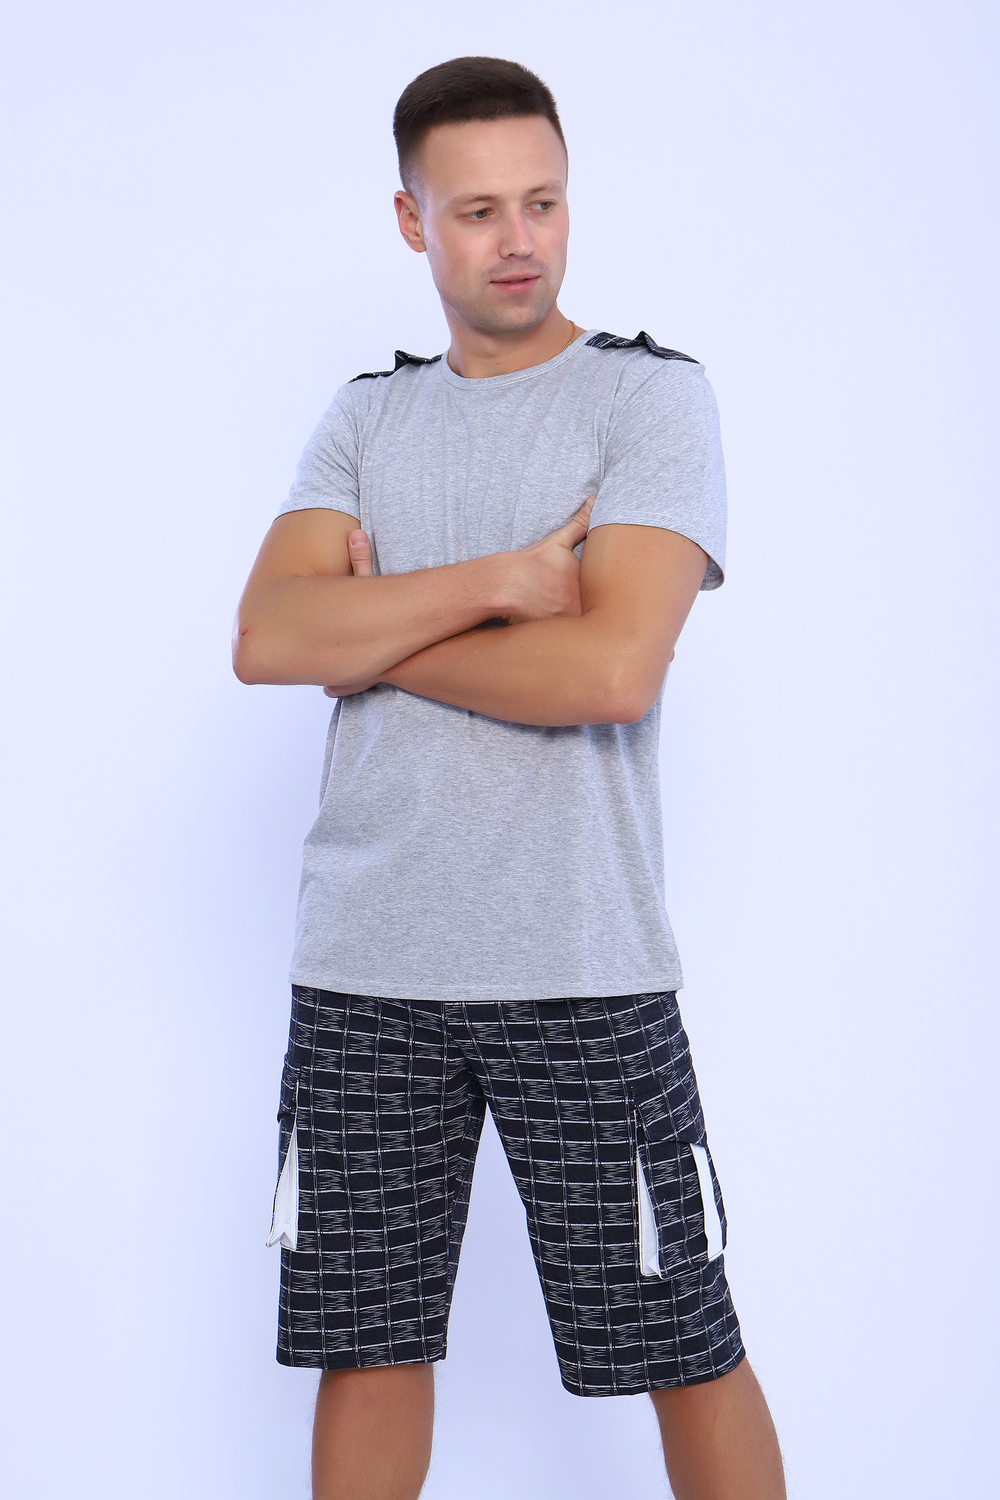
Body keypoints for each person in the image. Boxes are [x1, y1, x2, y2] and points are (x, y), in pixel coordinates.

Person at [234, 54, 785, 1500]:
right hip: (365, 968)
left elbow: (610, 673)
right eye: (478, 211)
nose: (519, 239)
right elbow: (268, 638)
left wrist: (378, 634)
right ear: (413, 222)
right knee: (366, 1350)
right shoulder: (366, 418)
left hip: (582, 963)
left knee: (682, 1340)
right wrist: (500, 584)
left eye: (542, 201)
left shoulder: (649, 399)